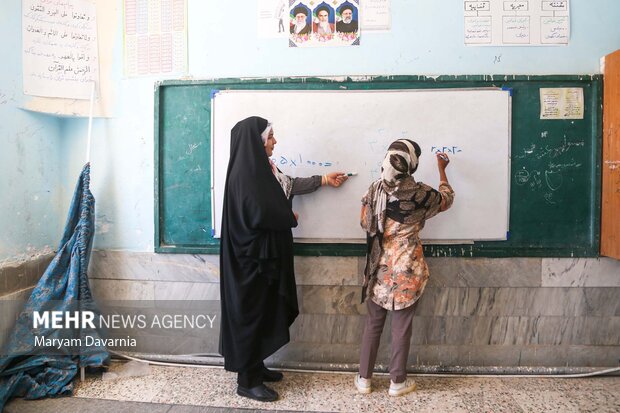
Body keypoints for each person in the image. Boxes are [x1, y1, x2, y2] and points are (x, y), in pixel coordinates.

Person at [219, 116, 347, 402]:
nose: (275, 141)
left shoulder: (264, 169)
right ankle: (247, 380)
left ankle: (257, 366)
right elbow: (258, 213)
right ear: (257, 141)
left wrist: (323, 180)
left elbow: (286, 185)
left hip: (263, 260)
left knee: (263, 311)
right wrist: (288, 217)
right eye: (271, 136)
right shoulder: (245, 175)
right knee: (251, 315)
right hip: (250, 264)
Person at [355, 139, 454, 397]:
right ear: (412, 163)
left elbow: (364, 221)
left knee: (373, 324)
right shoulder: (421, 194)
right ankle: (397, 382)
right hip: (409, 268)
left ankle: (364, 379)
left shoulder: (375, 189)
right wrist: (442, 169)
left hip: (379, 266)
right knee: (401, 327)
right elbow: (447, 199)